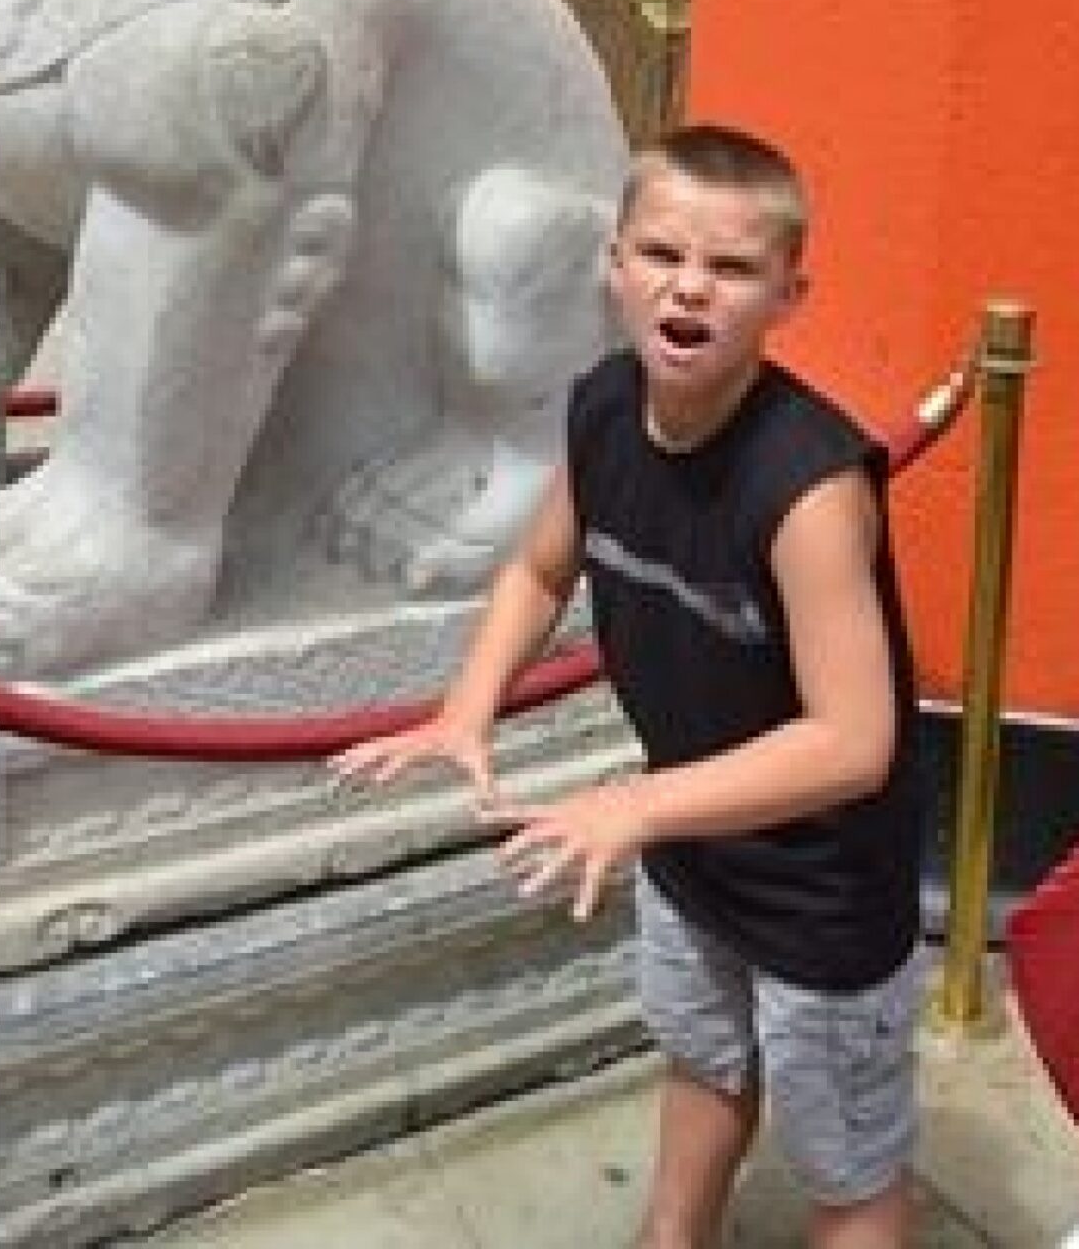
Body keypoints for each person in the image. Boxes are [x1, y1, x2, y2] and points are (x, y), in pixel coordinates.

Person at [335, 124, 924, 1249]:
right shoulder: (604, 406)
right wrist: (465, 709)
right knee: (701, 1056)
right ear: (613, 266)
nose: (689, 286)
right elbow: (537, 568)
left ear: (788, 296)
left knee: (846, 1164)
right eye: (661, 253)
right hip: (690, 843)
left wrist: (632, 805)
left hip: (819, 888)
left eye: (732, 267)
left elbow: (853, 742)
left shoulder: (807, 488)